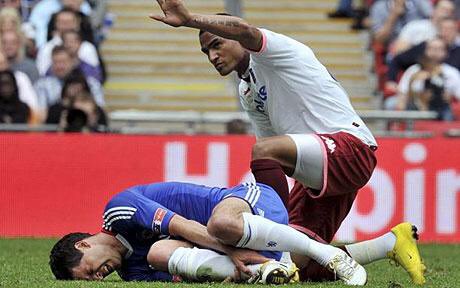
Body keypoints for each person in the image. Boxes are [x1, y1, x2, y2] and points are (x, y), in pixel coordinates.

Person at [149, 0, 425, 284]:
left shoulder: (273, 52)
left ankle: (276, 234)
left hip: (351, 149)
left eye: (217, 45)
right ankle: (391, 243)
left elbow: (244, 29)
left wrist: (190, 19)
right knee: (298, 264)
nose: (212, 56)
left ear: (235, 39)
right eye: (206, 51)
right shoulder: (247, 90)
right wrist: (276, 235)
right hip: (318, 170)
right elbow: (274, 159)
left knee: (265, 158)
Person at [50, 181, 370, 285]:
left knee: (222, 227)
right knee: (159, 253)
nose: (99, 278)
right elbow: (191, 272)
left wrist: (230, 252)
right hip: (239, 243)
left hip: (247, 204)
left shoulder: (117, 211)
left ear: (84, 244)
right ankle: (387, 244)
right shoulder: (133, 272)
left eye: (90, 270)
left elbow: (184, 227)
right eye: (91, 281)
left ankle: (321, 252)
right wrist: (227, 271)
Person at [395, 38, 460, 120]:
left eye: (439, 49)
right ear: (425, 50)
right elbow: (402, 94)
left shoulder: (452, 73)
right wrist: (414, 86)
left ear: (446, 52)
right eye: (431, 48)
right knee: (392, 103)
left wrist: (451, 99)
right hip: (415, 108)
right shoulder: (413, 71)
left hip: (442, 109)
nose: (434, 52)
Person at [34, 46, 104, 112]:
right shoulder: (42, 85)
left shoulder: (91, 84)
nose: (59, 66)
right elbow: (40, 112)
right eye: (55, 62)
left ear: (72, 62)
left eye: (63, 62)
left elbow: (99, 110)